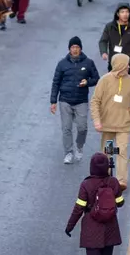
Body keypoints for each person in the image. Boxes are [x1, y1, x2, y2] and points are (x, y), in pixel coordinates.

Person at [90, 53, 130, 190]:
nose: (129, 66)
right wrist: (97, 120)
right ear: (119, 65)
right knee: (107, 153)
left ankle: (121, 181)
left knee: (122, 151)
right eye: (126, 64)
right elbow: (95, 101)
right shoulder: (104, 80)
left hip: (123, 125)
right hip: (107, 125)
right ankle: (105, 178)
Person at [50, 36, 100, 164]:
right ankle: (68, 152)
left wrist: (87, 82)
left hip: (81, 100)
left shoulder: (88, 63)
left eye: (77, 47)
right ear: (69, 49)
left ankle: (79, 146)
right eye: (73, 47)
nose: (75, 49)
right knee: (66, 128)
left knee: (82, 127)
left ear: (81, 49)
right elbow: (56, 82)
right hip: (65, 100)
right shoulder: (62, 64)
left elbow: (96, 79)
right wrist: (53, 101)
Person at [65, 153, 124, 255]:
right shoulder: (113, 182)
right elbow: (120, 203)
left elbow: (78, 208)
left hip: (92, 230)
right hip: (110, 229)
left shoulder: (86, 184)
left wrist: (70, 226)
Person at [98, 3, 130, 78]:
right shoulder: (110, 27)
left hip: (128, 66)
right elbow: (103, 41)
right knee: (113, 88)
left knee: (128, 88)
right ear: (117, 14)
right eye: (122, 12)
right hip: (113, 65)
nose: (125, 14)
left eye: (127, 12)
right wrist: (104, 52)